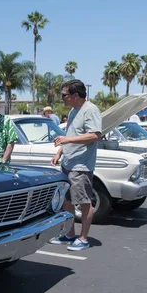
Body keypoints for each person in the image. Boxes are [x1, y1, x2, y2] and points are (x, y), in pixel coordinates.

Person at [49, 79, 102, 251]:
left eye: (64, 95)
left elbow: (95, 135)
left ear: (75, 95)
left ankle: (83, 238)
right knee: (67, 201)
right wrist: (59, 153)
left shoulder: (90, 110)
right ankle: (69, 234)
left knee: (84, 203)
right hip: (68, 163)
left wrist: (68, 139)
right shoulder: (73, 111)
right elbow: (71, 134)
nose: (62, 98)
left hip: (81, 166)